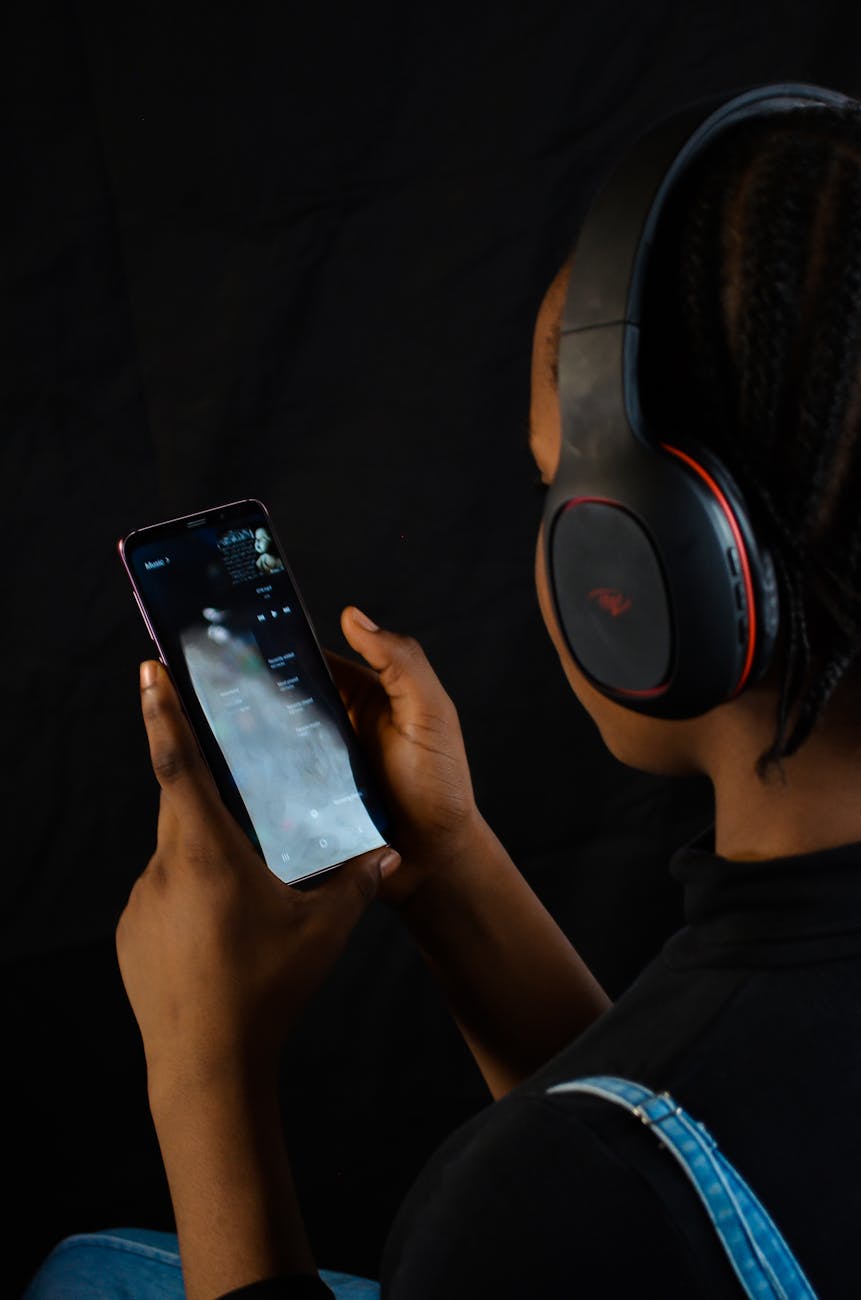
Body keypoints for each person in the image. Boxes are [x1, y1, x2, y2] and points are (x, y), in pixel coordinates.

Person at [23, 93, 861, 1299]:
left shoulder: (520, 1210)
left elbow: (611, 1199)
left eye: (549, 493)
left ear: (639, 561)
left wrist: (201, 1068)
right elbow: (693, 1163)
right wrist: (449, 862)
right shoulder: (643, 1157)